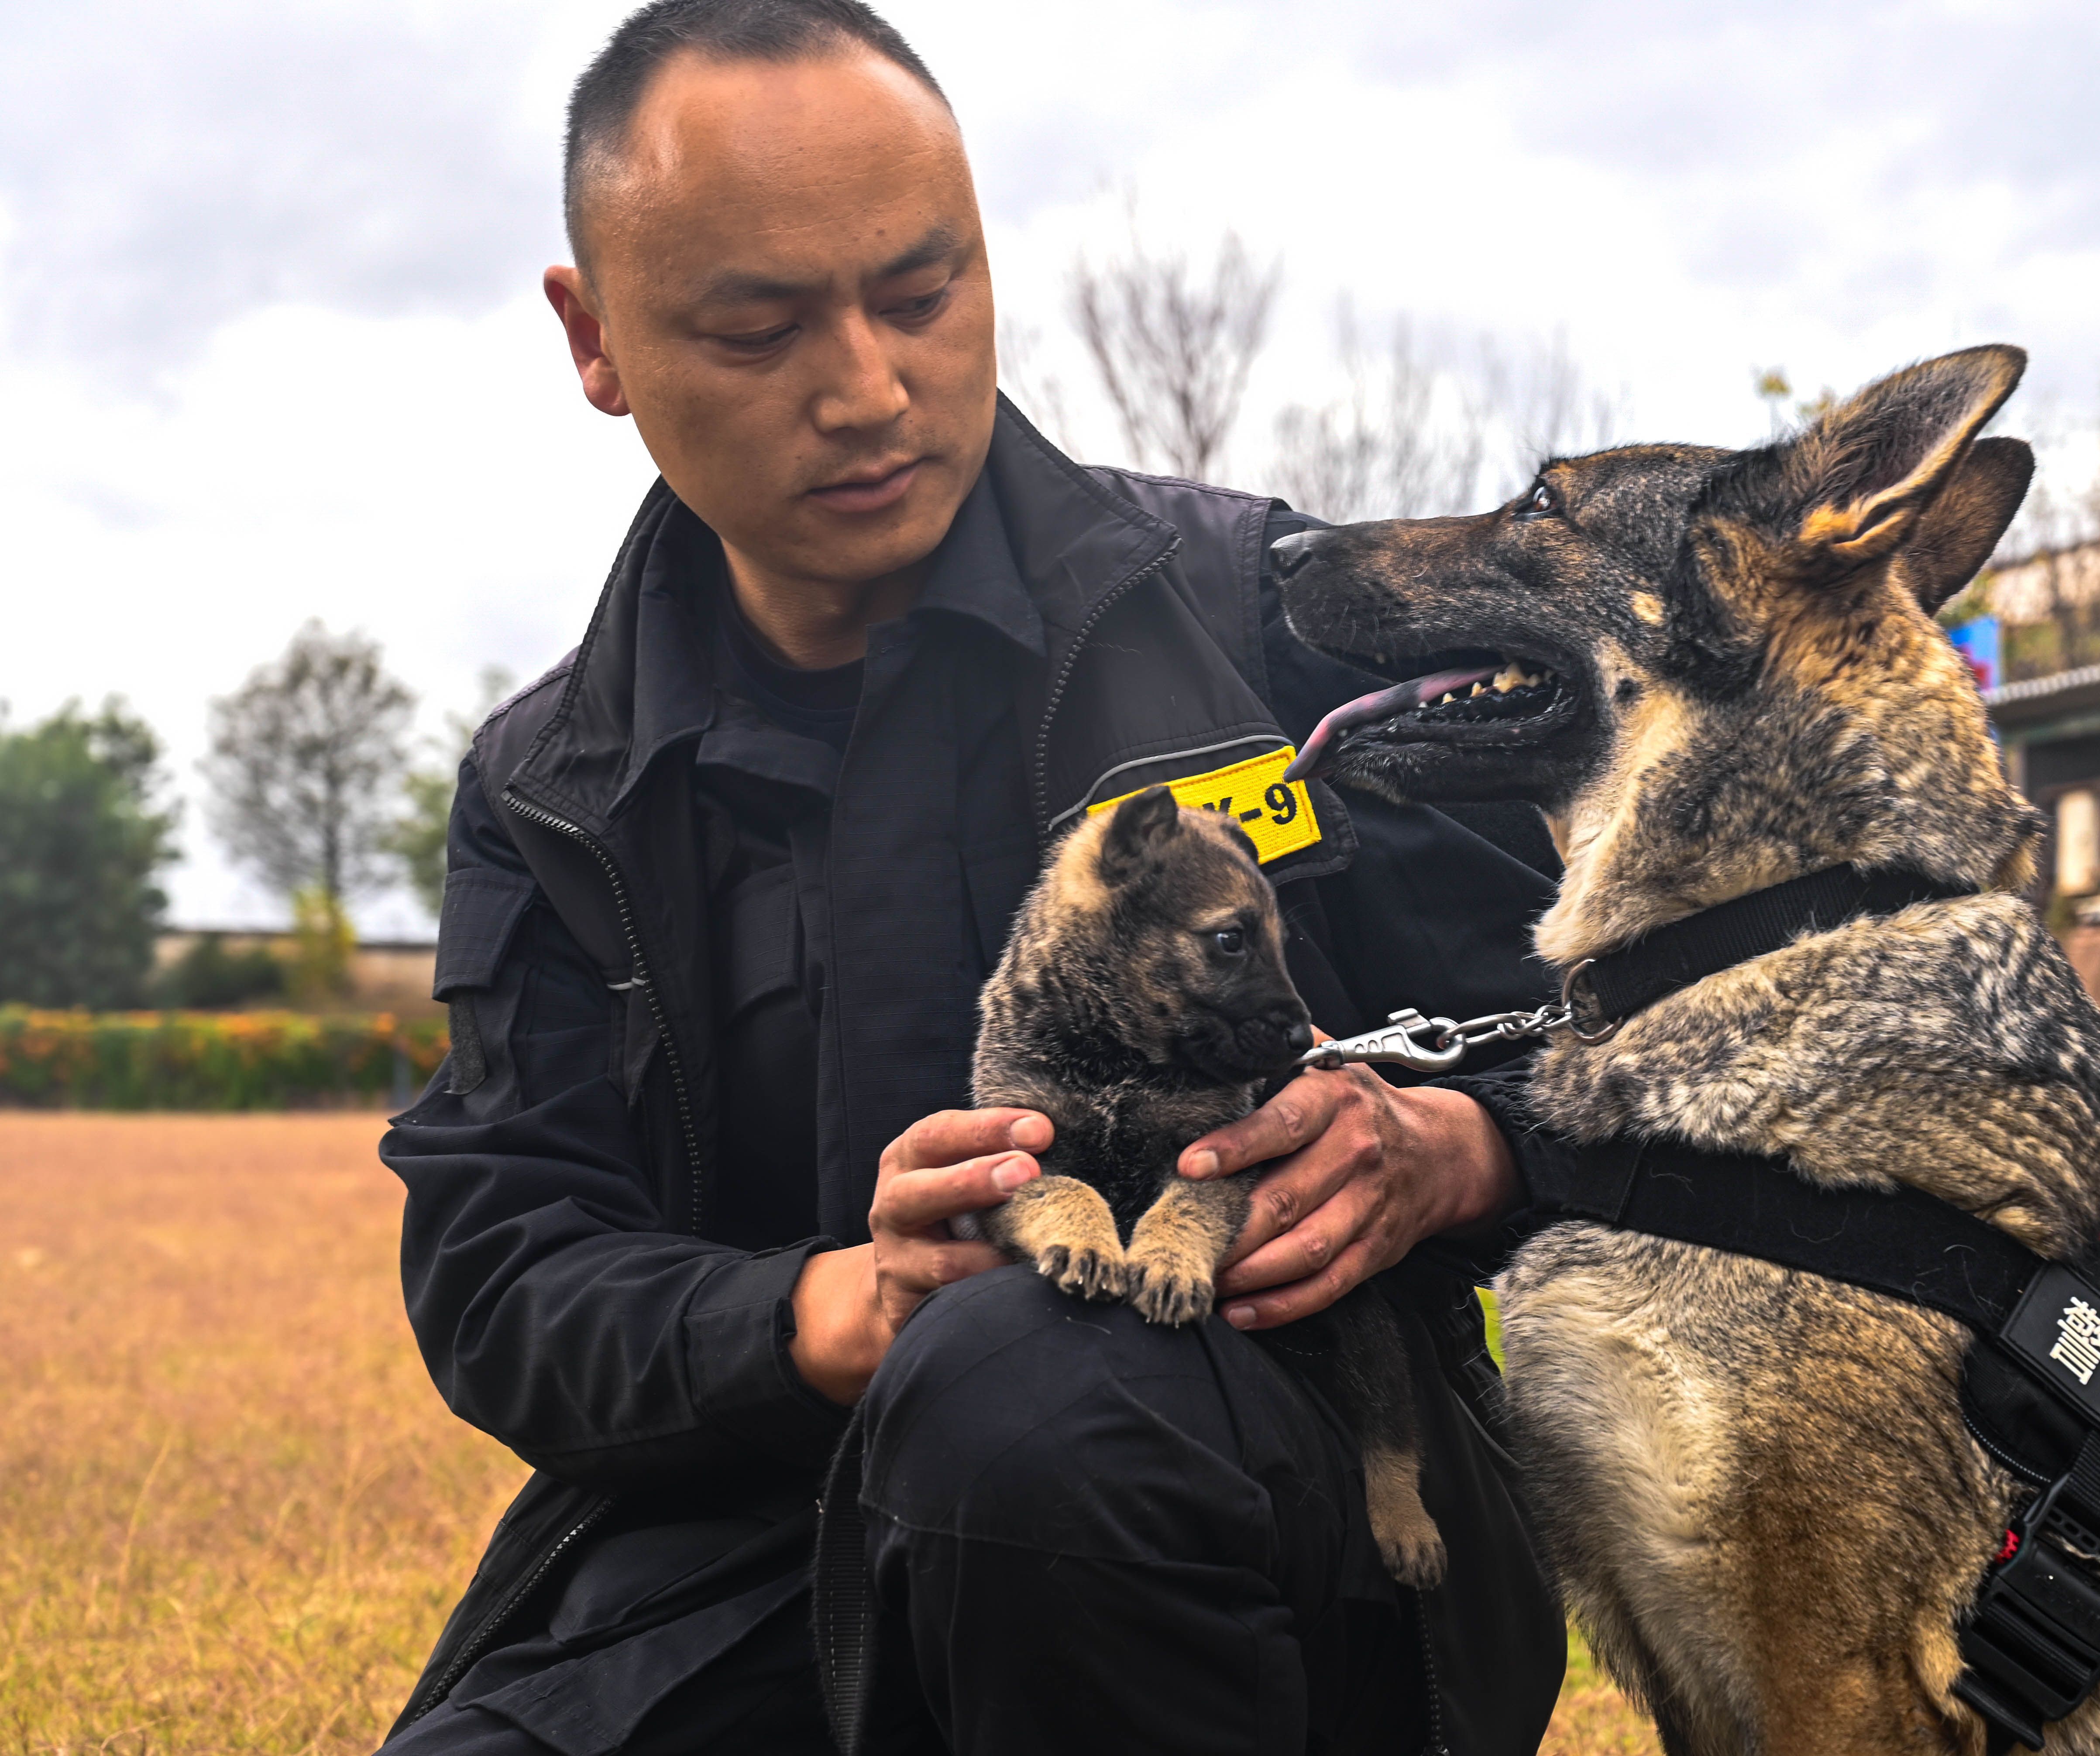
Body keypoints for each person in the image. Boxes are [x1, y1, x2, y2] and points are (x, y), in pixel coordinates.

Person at [379, 2, 1569, 1751]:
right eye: (759, 326)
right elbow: (503, 1271)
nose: (868, 390)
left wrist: (1456, 1146)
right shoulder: (557, 792)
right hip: (749, 1553)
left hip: (1272, 1518)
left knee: (1022, 1394)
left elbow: (1618, 1050)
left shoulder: (1258, 627)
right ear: (598, 336)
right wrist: (806, 1315)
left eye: (922, 295)